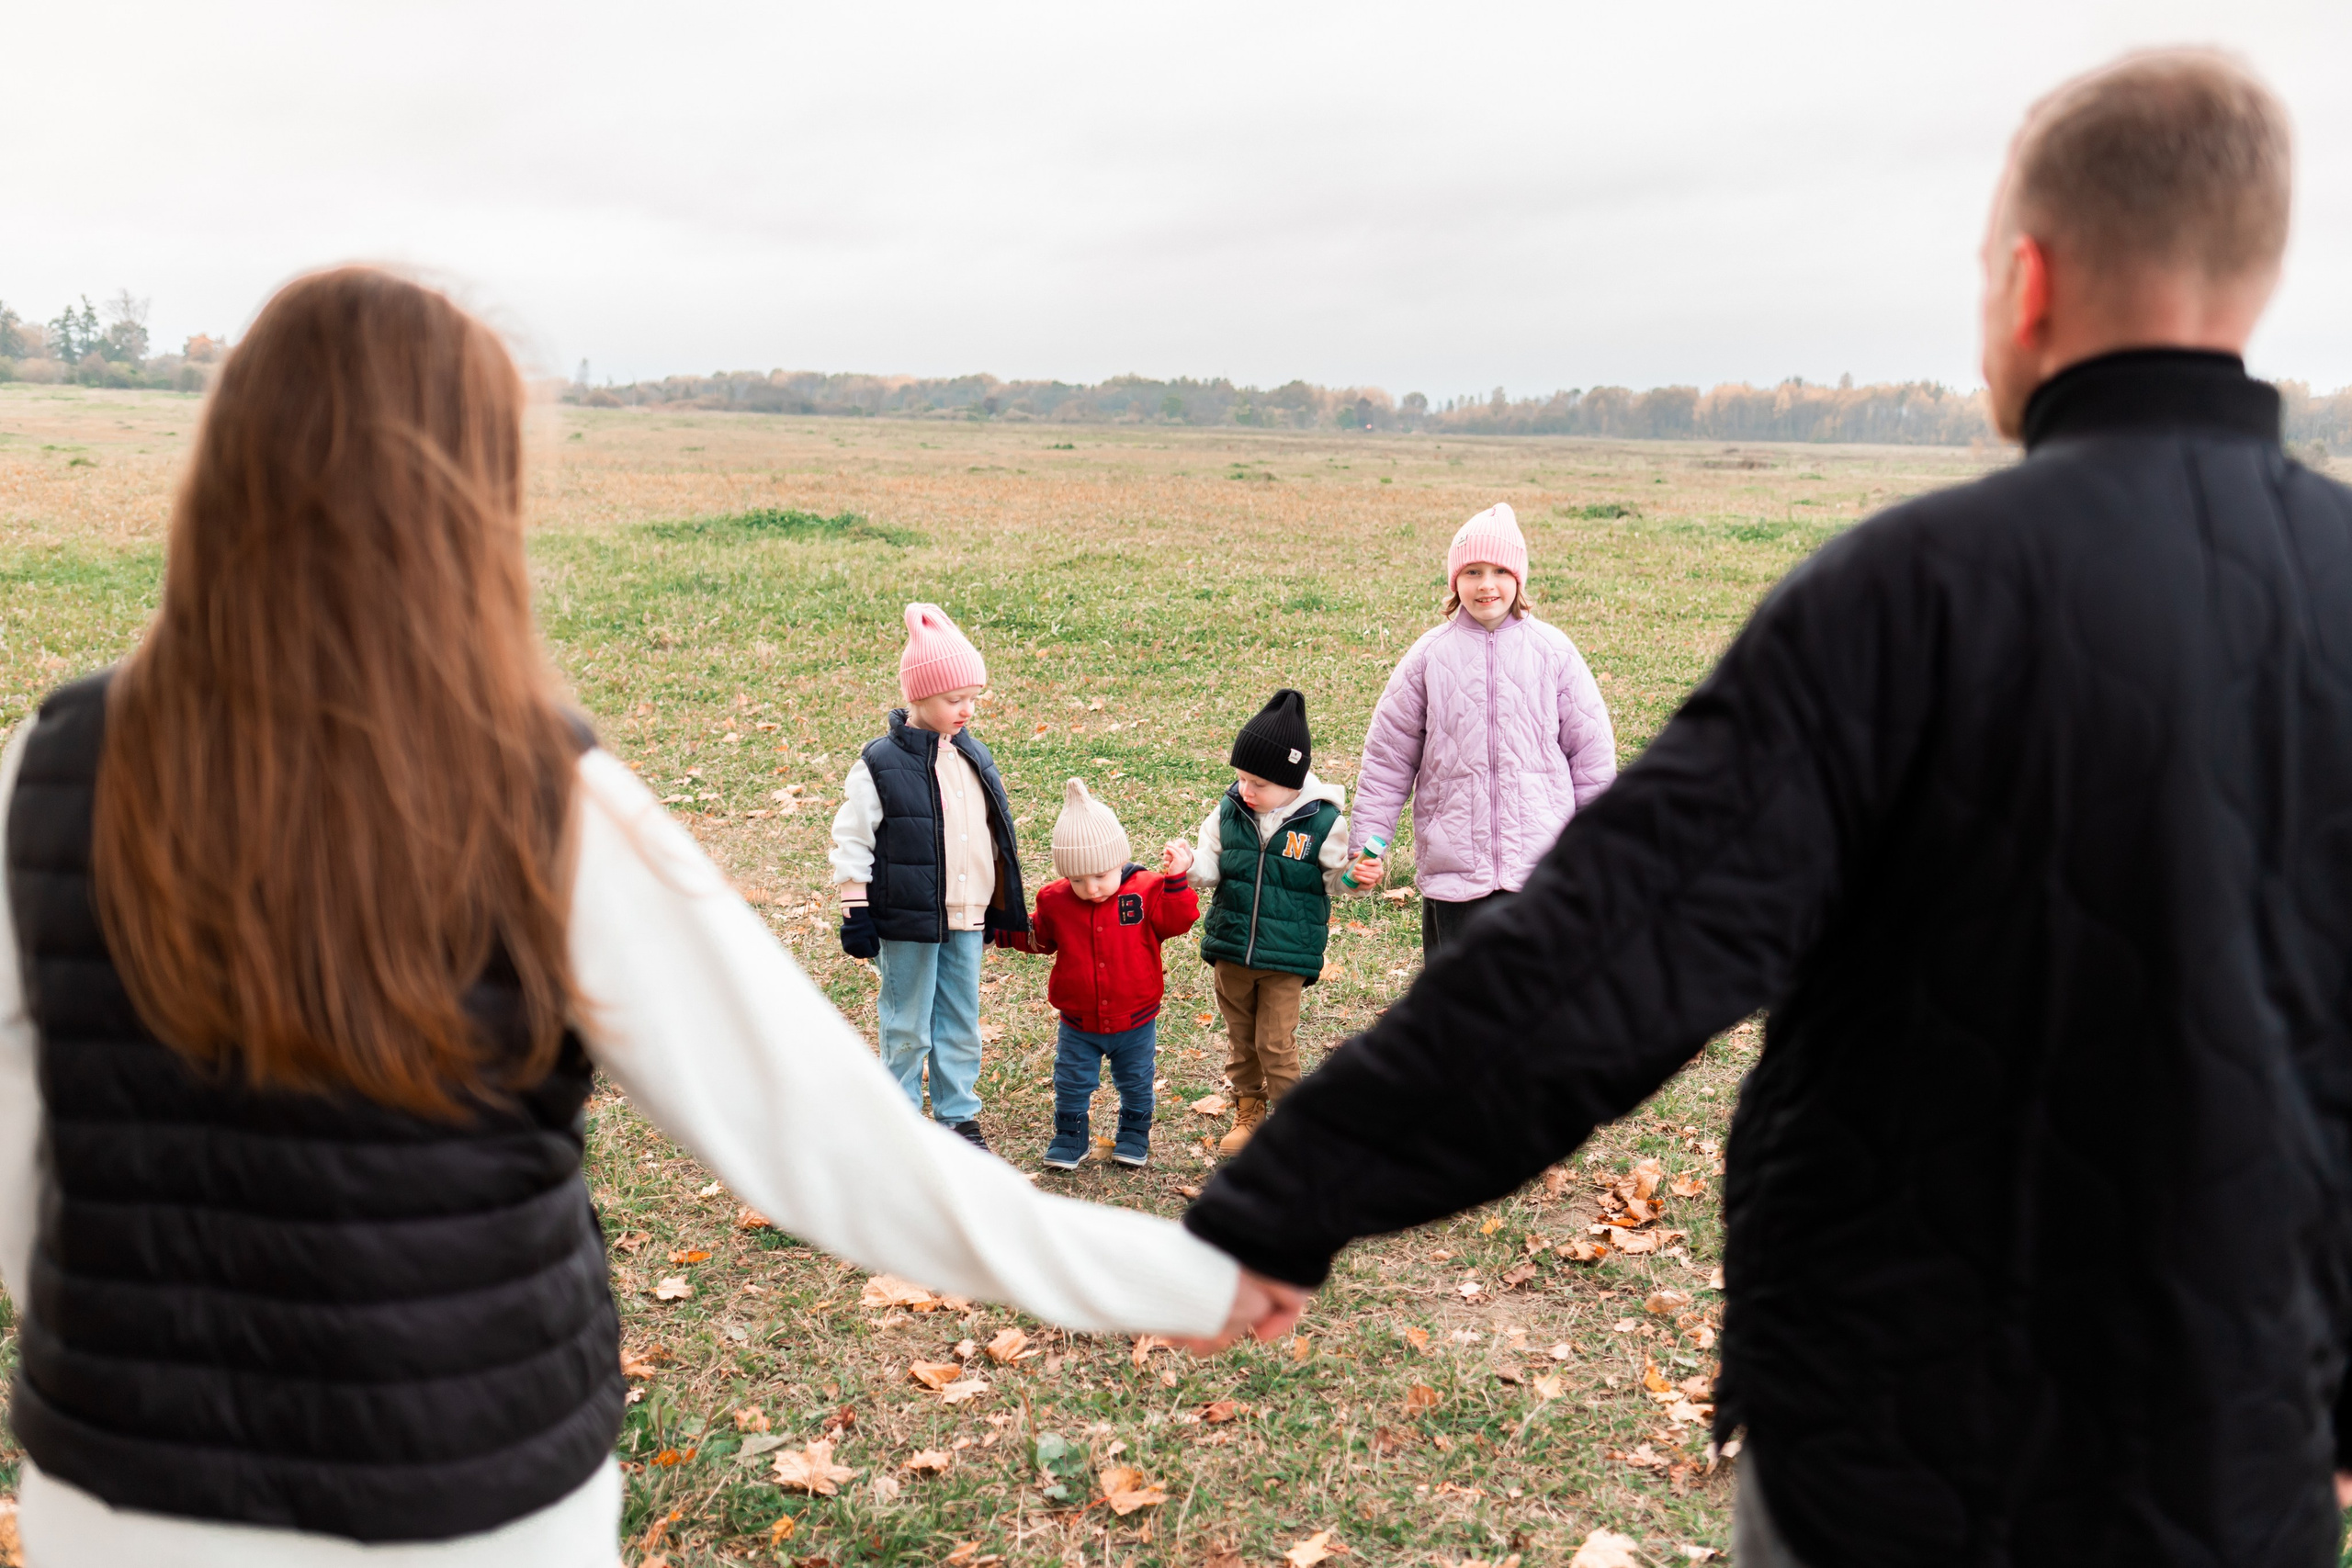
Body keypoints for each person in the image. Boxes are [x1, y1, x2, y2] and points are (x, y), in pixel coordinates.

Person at [1183, 51, 2352, 1568]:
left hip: (1891, 1449)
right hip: (2241, 1458)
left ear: (2030, 279)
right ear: (2254, 280)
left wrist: (1295, 1192)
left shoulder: (1899, 598)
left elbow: (1605, 953)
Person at [0, 267, 1274, 1564]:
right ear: (468, 501)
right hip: (476, 1495)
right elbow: (817, 1133)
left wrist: (112, 1347)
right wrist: (1176, 1275)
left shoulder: (43, 769)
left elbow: (21, 1163)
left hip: (119, 1493)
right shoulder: (543, 797)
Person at [1346, 502, 1616, 955]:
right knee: (1458, 1006)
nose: (1486, 584)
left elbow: (1591, 758)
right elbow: (1388, 758)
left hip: (1542, 868)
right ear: (1455, 581)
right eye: (1472, 571)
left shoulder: (1554, 652)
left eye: (1499, 571)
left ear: (1518, 579)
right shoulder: (1429, 656)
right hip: (1455, 871)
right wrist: (1366, 843)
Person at [829, 603, 1027, 1150]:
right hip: (908, 919)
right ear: (919, 696)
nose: (966, 709)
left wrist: (994, 904)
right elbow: (853, 838)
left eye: (973, 698)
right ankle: (898, 1117)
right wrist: (856, 907)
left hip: (966, 914)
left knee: (961, 1019)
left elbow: (990, 834)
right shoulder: (879, 763)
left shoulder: (974, 756)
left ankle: (958, 1114)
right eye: (953, 699)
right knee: (907, 1023)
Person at [993, 778, 1198, 1169]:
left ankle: (1134, 1133)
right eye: (1078, 880)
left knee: (1136, 1080)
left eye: (1102, 876)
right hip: (1079, 1020)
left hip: (1136, 1018)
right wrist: (998, 932)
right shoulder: (1055, 900)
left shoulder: (1146, 889)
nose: (1091, 888)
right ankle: (1070, 1135)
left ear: (1120, 859)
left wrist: (1176, 880)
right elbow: (1040, 937)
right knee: (1072, 1081)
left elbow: (1179, 921)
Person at [1188, 689, 1355, 1155]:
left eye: (1258, 783)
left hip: (1286, 956)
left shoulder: (1322, 822)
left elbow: (1334, 881)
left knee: (1275, 1043)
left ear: (1292, 783)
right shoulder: (1229, 812)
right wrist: (1186, 865)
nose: (1247, 789)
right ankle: (1249, 1109)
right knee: (1242, 1041)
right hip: (1231, 948)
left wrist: (1354, 878)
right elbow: (1209, 868)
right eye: (1242, 778)